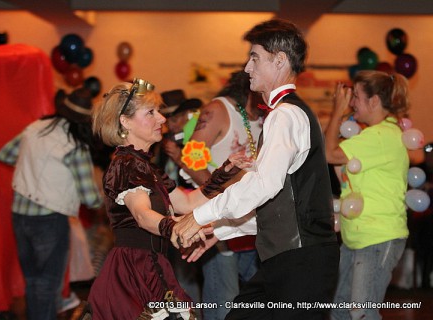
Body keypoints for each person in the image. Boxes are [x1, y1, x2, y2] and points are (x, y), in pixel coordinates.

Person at [171, 19, 340, 320]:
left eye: (254, 58)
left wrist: (202, 216)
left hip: (299, 261)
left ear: (280, 61)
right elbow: (281, 203)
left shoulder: (284, 114)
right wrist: (221, 230)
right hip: (288, 257)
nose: (247, 68)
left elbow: (265, 186)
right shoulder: (274, 112)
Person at [87, 78, 250, 319]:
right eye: (151, 113)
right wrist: (179, 228)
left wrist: (224, 172)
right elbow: (142, 215)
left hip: (151, 264)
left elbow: (188, 203)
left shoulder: (144, 166)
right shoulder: (126, 165)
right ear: (125, 122)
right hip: (135, 271)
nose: (162, 119)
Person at [0, 88, 103, 320]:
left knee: (33, 281)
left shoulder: (35, 129)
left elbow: (4, 154)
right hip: (50, 220)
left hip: (20, 215)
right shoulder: (75, 145)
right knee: (48, 284)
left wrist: (31, 162)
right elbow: (90, 198)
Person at [164, 70, 263, 319]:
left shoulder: (264, 114)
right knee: (224, 302)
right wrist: (221, 195)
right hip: (220, 223)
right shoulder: (219, 110)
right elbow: (190, 158)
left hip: (252, 224)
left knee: (260, 297)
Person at [325, 71, 410, 320]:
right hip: (358, 238)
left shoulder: (381, 136)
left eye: (357, 97)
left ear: (374, 101)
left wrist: (336, 110)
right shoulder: (374, 136)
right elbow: (338, 165)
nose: (352, 103)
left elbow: (331, 154)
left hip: (377, 238)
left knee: (361, 311)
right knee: (340, 309)